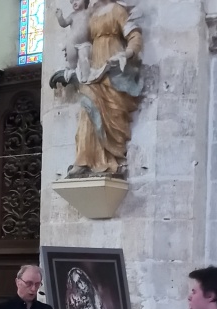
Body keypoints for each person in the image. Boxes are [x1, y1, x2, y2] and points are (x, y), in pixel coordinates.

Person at [50, 0, 143, 177]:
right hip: (92, 69)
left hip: (112, 67)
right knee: (87, 109)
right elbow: (78, 35)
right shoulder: (91, 13)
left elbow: (134, 36)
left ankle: (110, 159)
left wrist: (127, 53)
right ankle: (84, 161)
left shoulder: (117, 10)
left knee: (112, 110)